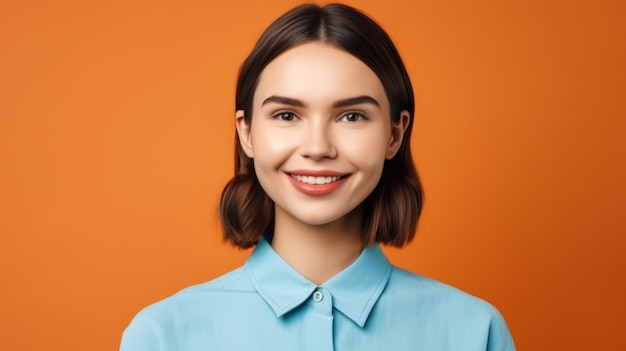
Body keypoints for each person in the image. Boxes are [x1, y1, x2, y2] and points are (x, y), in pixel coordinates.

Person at [120, 3, 515, 350]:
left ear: (395, 134)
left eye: (352, 116)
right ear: (247, 133)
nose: (318, 147)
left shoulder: (474, 332)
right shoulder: (161, 336)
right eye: (287, 115)